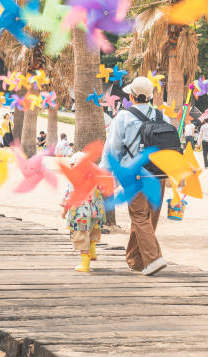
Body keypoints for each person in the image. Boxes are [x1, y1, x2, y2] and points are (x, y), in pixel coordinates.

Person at [101, 76, 170, 276]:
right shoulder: (161, 116)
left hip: (136, 175)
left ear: (131, 96)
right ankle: (136, 260)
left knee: (139, 217)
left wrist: (105, 173)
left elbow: (112, 149)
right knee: (148, 218)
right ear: (150, 96)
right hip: (159, 174)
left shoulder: (123, 117)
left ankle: (154, 259)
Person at [61, 151, 105, 272]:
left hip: (81, 215)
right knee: (92, 233)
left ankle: (85, 265)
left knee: (82, 238)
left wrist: (64, 211)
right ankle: (93, 253)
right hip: (96, 213)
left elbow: (69, 198)